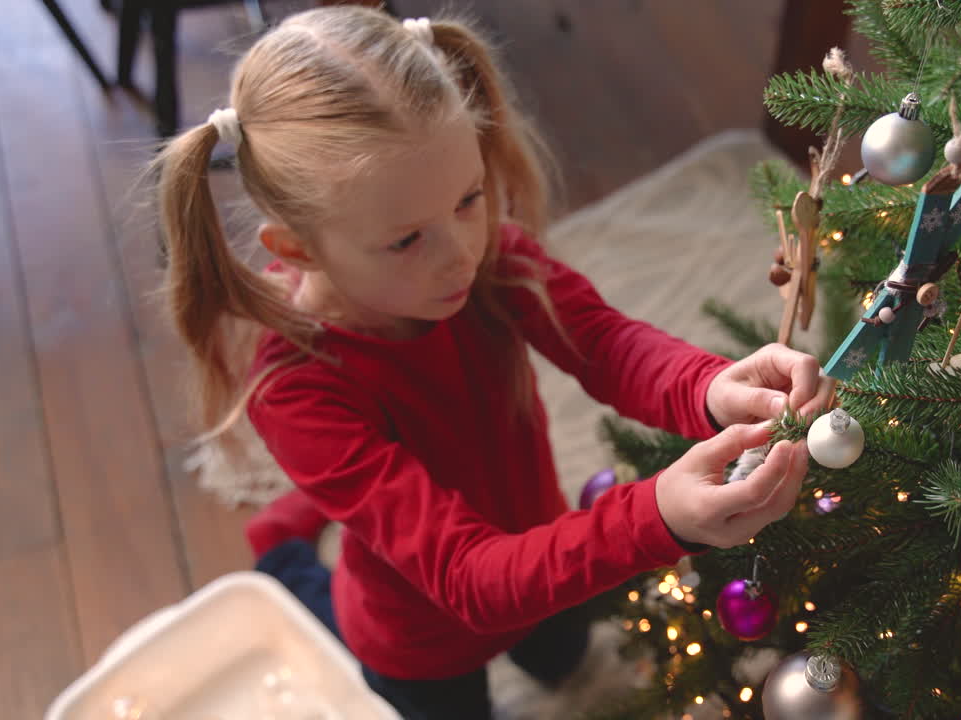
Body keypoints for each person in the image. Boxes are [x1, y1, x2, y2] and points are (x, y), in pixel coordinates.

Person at [153, 7, 826, 718]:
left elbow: (602, 343)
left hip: (541, 536)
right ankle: (283, 553)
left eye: (469, 198)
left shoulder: (488, 258)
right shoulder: (295, 390)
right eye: (407, 240)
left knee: (561, 653)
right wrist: (657, 515)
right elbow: (468, 577)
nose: (461, 255)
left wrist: (710, 386)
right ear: (297, 249)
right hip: (423, 637)